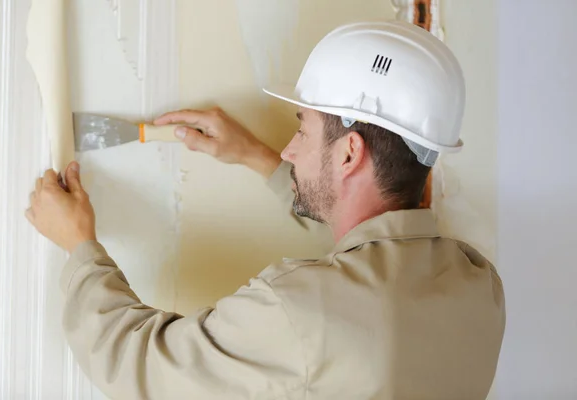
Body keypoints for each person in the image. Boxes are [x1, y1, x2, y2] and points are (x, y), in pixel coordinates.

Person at [26, 21, 505, 399]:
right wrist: (254, 156)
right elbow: (370, 269)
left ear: (348, 154)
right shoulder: (478, 285)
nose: (290, 150)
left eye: (303, 130)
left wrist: (79, 245)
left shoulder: (295, 309)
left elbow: (143, 364)